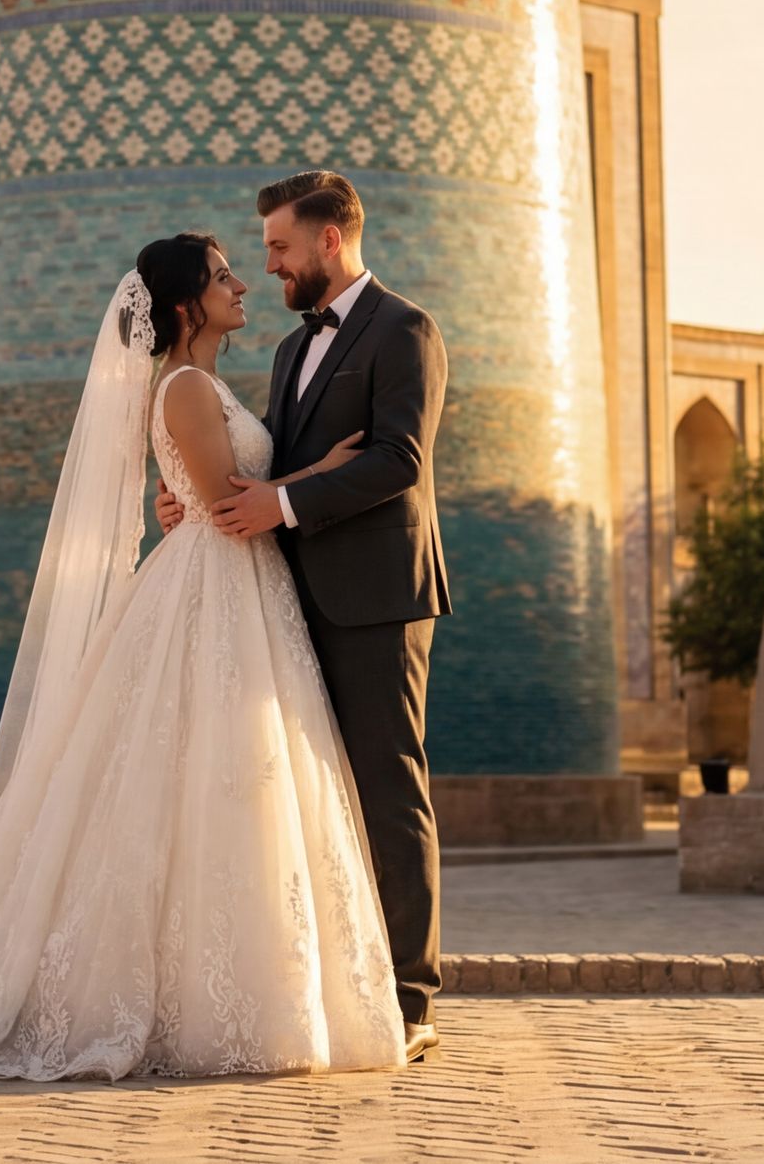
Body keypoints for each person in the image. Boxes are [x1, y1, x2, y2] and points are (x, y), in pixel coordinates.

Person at [0, 231, 405, 1081]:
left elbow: (200, 495)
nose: (244, 283)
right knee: (210, 786)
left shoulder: (201, 382)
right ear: (188, 303)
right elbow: (231, 508)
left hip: (233, 591)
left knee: (231, 788)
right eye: (224, 274)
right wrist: (330, 471)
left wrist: (243, 491)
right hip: (215, 587)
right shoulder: (188, 387)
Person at [164, 168, 451, 1061]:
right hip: (281, 602)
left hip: (373, 600)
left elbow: (397, 459)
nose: (271, 268)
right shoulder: (290, 352)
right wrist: (195, 502)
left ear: (331, 238)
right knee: (297, 795)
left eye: (281, 248)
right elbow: (264, 469)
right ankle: (330, 983)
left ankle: (408, 998)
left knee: (385, 787)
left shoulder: (406, 328)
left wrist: (276, 507)